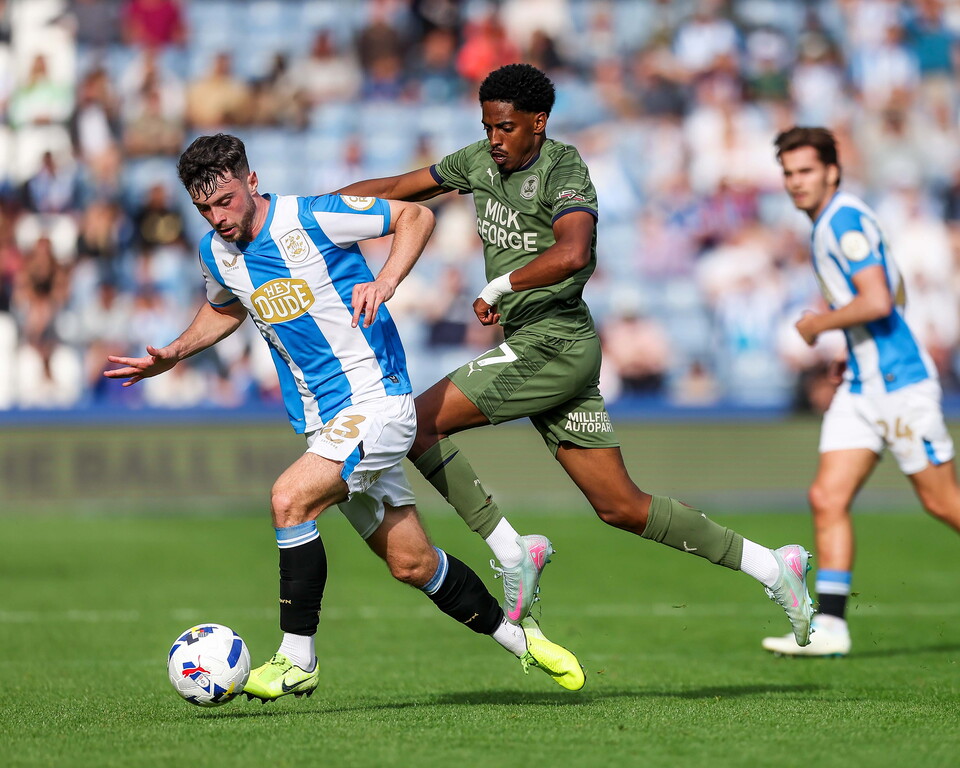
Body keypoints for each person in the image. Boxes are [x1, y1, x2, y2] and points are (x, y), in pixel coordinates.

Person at [337, 64, 814, 647]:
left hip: (555, 341)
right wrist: (309, 211)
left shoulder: (565, 168)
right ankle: (774, 566)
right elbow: (395, 189)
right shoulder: (480, 162)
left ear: (538, 123)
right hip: (539, 347)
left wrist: (499, 287)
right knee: (621, 506)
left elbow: (573, 251)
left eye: (506, 127)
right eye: (488, 126)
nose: (494, 138)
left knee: (414, 422)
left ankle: (513, 551)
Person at [103, 133, 584, 700]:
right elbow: (223, 308)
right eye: (204, 208)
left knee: (289, 498)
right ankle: (522, 642)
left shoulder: (312, 216)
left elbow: (416, 218)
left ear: (251, 181)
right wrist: (174, 354)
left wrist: (385, 282)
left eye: (226, 200)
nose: (218, 216)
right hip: (322, 422)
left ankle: (295, 659)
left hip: (376, 402)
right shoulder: (217, 252)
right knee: (412, 563)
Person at [763, 126, 960, 657]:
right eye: (788, 173)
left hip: (897, 386)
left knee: (945, 504)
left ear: (832, 170)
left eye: (805, 171)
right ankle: (830, 628)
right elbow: (890, 291)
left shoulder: (842, 222)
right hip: (862, 384)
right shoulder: (836, 220)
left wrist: (818, 325)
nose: (795, 182)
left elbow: (878, 301)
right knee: (827, 497)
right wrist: (854, 348)